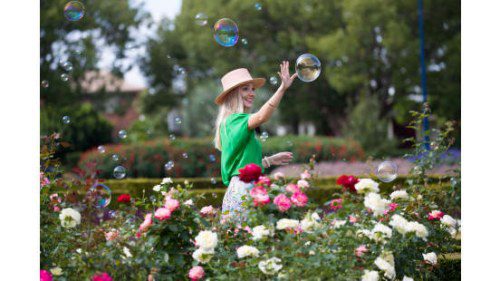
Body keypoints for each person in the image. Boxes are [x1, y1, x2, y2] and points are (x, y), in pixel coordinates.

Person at [213, 61, 297, 222]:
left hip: (244, 188)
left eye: (252, 89)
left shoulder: (232, 123)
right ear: (233, 94)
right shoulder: (234, 121)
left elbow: (242, 164)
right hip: (244, 190)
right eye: (245, 89)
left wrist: (269, 160)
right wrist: (282, 88)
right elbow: (261, 116)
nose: (252, 93)